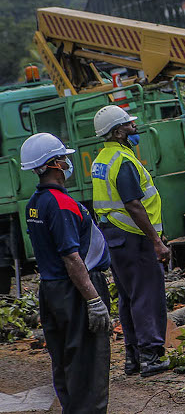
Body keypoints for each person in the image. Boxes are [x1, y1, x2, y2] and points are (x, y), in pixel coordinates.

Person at [22, 133, 112, 413]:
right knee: (88, 364)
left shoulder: (35, 204)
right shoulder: (61, 204)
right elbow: (72, 258)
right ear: (55, 164)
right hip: (75, 290)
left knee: (65, 361)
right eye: (63, 157)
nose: (68, 161)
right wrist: (94, 300)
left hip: (52, 290)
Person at [90, 105, 170, 377]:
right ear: (117, 131)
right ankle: (151, 356)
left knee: (128, 296)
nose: (134, 128)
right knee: (147, 294)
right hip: (134, 236)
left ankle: (133, 358)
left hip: (114, 236)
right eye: (128, 125)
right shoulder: (123, 161)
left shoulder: (102, 159)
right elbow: (134, 204)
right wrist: (156, 241)